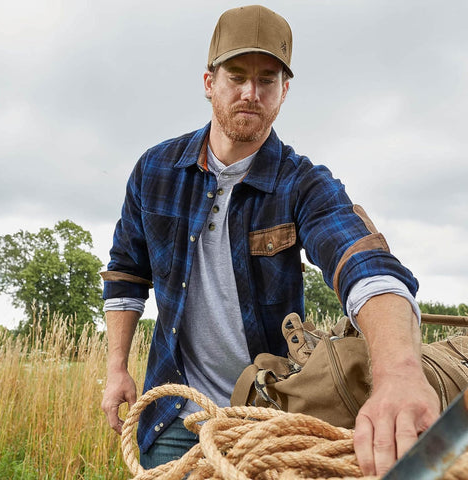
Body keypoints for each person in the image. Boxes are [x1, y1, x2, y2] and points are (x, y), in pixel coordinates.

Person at [101, 5, 440, 476]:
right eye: (236, 76)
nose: (250, 93)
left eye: (267, 80)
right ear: (208, 82)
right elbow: (126, 273)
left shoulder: (304, 183)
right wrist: (118, 365)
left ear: (284, 92)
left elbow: (364, 264)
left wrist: (398, 372)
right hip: (172, 415)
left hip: (266, 415)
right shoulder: (155, 171)